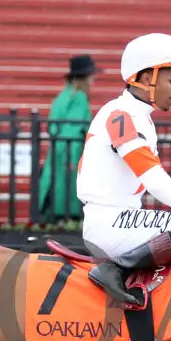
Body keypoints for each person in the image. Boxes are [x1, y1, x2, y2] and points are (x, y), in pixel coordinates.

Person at [76, 33, 171, 306]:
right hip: (110, 225)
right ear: (146, 79)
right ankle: (115, 269)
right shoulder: (121, 116)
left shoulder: (134, 114)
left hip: (121, 218)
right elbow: (155, 182)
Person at [36, 54, 98, 223]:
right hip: (70, 153)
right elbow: (74, 129)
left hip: (58, 153)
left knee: (56, 190)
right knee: (67, 195)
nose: (94, 79)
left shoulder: (63, 96)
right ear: (84, 78)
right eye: (91, 75)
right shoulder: (78, 98)